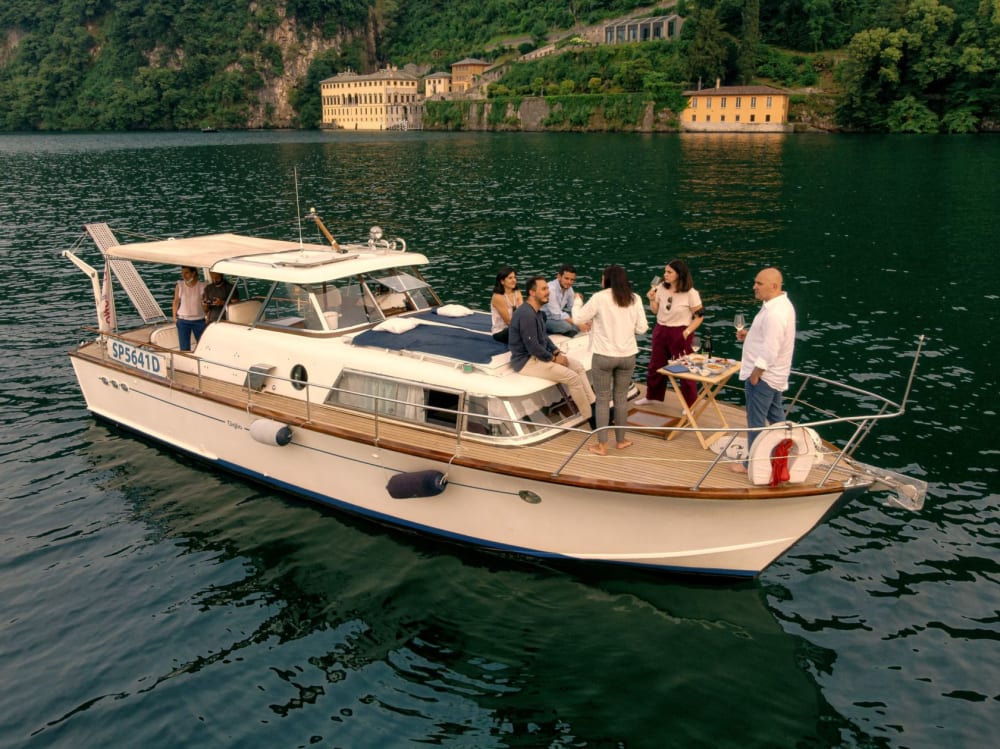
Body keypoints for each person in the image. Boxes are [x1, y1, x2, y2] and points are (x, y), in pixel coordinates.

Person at [575, 265, 649, 455]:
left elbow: (578, 318)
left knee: (602, 400)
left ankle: (601, 445)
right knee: (621, 398)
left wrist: (576, 302)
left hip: (604, 356)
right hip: (627, 356)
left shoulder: (600, 297)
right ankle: (621, 440)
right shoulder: (635, 298)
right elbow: (642, 328)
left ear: (607, 279)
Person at [733, 267, 797, 472]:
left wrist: (755, 374)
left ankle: (751, 464)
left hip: (764, 377)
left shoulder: (775, 313)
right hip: (776, 376)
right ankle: (784, 456)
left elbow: (771, 348)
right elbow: (771, 337)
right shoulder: (780, 305)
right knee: (777, 419)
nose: (754, 287)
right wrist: (750, 334)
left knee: (756, 422)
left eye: (759, 283)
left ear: (774, 286)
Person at [509, 276, 596, 422]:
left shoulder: (538, 313)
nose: (548, 292)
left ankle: (594, 404)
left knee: (578, 367)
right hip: (526, 361)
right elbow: (533, 346)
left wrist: (555, 351)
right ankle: (590, 417)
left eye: (547, 288)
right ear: (532, 292)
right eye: (543, 289)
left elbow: (544, 338)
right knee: (573, 378)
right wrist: (554, 359)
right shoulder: (526, 314)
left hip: (541, 356)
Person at [636, 259, 704, 407]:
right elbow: (655, 310)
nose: (665, 274)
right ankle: (652, 396)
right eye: (665, 271)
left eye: (669, 272)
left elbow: (699, 317)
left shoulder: (691, 293)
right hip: (661, 329)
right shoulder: (661, 287)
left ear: (679, 274)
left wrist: (686, 332)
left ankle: (690, 404)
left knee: (684, 369)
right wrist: (652, 299)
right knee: (655, 366)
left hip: (680, 331)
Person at [544, 264, 589, 337]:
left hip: (557, 318)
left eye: (572, 280)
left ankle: (570, 330)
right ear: (559, 276)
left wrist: (583, 319)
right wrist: (578, 323)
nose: (569, 282)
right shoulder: (551, 289)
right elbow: (556, 314)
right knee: (566, 326)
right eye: (566, 278)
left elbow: (573, 307)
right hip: (545, 319)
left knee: (584, 322)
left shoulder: (569, 288)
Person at [172, 266, 206, 351]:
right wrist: (174, 317)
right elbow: (176, 301)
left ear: (193, 273)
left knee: (202, 347)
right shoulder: (180, 285)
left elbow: (206, 303)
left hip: (199, 320)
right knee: (184, 348)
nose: (183, 275)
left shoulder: (202, 286)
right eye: (182, 273)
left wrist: (207, 315)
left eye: (186, 273)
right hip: (183, 320)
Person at [490, 266, 522, 343]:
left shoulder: (517, 292)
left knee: (541, 316)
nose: (514, 280)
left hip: (517, 326)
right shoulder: (498, 297)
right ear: (502, 281)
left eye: (514, 277)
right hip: (503, 331)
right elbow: (509, 322)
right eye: (510, 278)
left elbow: (522, 313)